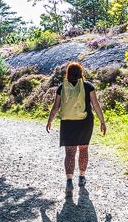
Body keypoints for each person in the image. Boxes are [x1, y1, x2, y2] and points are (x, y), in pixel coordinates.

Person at [45, 62, 107, 192]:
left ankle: (69, 181)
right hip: (85, 122)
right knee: (83, 150)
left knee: (69, 153)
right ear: (81, 73)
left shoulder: (62, 87)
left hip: (68, 123)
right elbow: (95, 105)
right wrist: (102, 121)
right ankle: (82, 177)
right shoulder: (88, 86)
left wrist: (49, 121)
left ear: (67, 73)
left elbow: (56, 107)